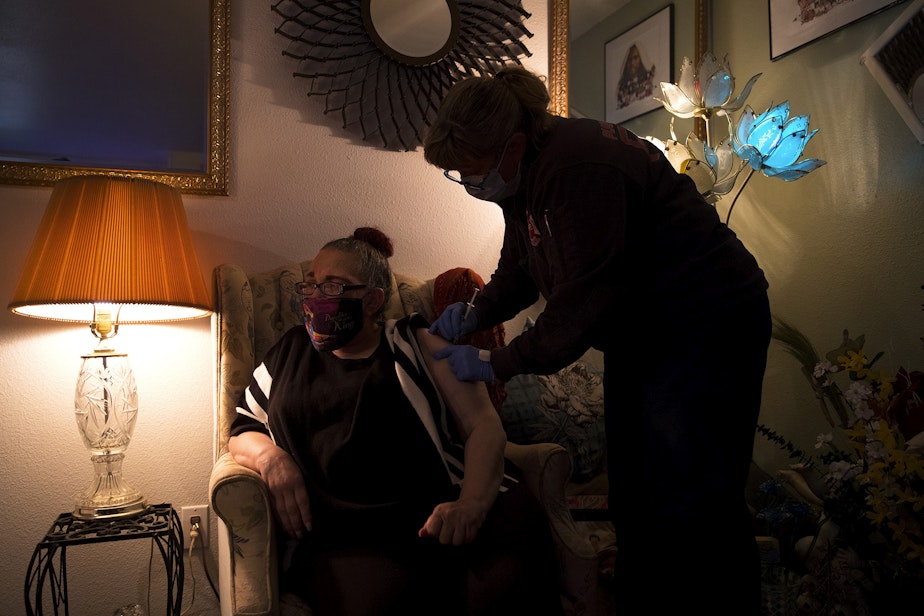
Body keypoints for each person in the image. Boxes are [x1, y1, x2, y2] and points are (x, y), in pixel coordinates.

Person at [423, 67, 771, 613]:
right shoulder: (527, 171)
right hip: (644, 331)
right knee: (634, 494)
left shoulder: (579, 167)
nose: (468, 182)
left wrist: (497, 363)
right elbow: (519, 266)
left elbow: (577, 310)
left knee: (696, 498)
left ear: (511, 145)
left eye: (470, 171)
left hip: (707, 321)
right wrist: (472, 313)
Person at [228, 227, 563, 616]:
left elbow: (483, 427)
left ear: (372, 300)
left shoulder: (415, 343)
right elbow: (243, 429)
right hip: (344, 534)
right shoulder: (289, 352)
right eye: (311, 285)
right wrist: (272, 460)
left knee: (499, 588)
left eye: (333, 287)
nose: (316, 297)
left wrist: (471, 504)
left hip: (448, 511)